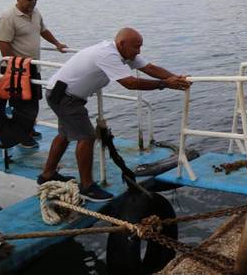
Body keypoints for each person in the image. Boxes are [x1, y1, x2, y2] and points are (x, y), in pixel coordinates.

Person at [38, 27, 191, 201]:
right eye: (136, 47)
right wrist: (164, 84)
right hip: (65, 96)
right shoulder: (107, 54)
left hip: (63, 93)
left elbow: (149, 68)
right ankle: (87, 187)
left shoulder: (125, 53)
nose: (139, 51)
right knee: (87, 137)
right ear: (122, 44)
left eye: (140, 47)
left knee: (65, 134)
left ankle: (47, 174)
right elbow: (130, 83)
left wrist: (176, 78)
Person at [0, 0, 67, 148]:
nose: (33, 1)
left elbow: (43, 30)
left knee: (33, 100)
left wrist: (57, 44)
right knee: (22, 105)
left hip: (33, 66)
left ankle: (27, 129)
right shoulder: (8, 17)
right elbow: (3, 43)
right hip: (18, 70)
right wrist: (13, 66)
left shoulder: (35, 13)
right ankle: (22, 137)